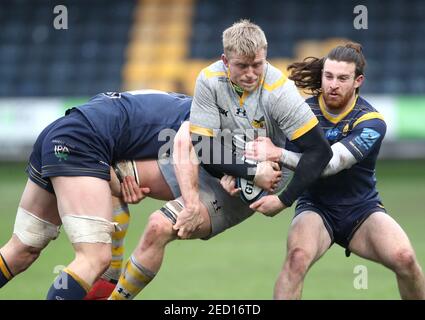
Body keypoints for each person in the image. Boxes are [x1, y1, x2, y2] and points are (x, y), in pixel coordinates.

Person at [239, 42, 425, 299]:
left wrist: (277, 154)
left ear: (358, 81)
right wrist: (242, 176)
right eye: (328, 76)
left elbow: (329, 165)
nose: (333, 84)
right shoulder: (301, 112)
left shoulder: (370, 122)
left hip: (362, 209)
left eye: (342, 78)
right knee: (296, 260)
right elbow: (271, 160)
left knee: (405, 259)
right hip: (316, 207)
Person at [0, 90, 193, 300]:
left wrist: (121, 181)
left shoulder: (169, 101)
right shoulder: (201, 121)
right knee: (95, 258)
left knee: (21, 249)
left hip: (61, 131)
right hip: (81, 143)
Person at [174, 18, 332, 243]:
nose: (250, 73)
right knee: (147, 212)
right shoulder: (209, 79)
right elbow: (203, 146)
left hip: (262, 184)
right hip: (218, 169)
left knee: (160, 227)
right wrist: (248, 172)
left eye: (257, 64)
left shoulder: (279, 91)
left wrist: (282, 200)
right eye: (242, 65)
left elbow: (320, 152)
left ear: (265, 56)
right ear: (225, 61)